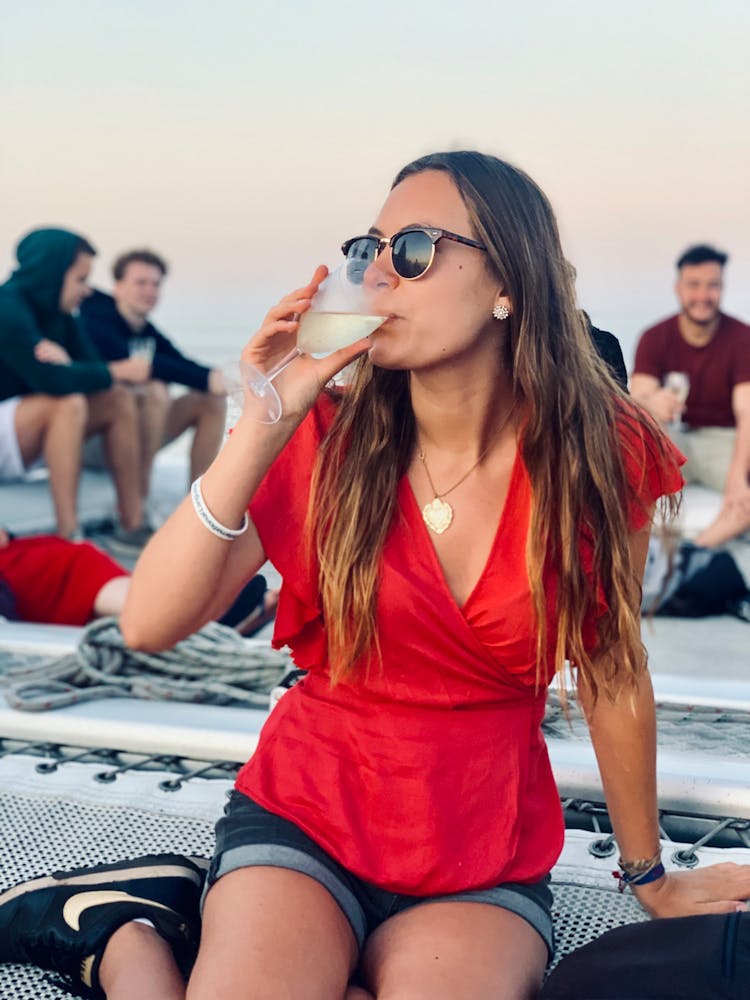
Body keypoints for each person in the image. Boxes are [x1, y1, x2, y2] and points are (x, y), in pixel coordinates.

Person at [2, 151, 750, 999]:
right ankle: (125, 939)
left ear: (508, 280)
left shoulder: (598, 452)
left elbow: (613, 668)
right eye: (371, 248)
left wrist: (648, 873)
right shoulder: (326, 434)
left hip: (481, 844)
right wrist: (262, 422)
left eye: (416, 251)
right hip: (308, 808)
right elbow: (148, 625)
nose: (378, 274)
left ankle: (136, 939)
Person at [0, 228, 154, 550]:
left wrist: (68, 363)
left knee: (118, 398)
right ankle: (69, 535)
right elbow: (53, 382)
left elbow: (95, 370)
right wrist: (96, 371)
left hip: (23, 426)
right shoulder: (8, 307)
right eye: (80, 279)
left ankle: (132, 524)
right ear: (53, 274)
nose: (87, 290)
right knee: (67, 403)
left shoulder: (61, 317)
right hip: (11, 424)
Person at [80, 249, 227, 499]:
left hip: (138, 438)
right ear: (118, 286)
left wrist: (227, 378)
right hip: (92, 441)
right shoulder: (93, 319)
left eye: (156, 284)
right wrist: (208, 378)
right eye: (140, 282)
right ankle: (138, 506)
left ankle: (200, 505)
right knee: (156, 390)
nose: (149, 290)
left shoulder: (147, 331)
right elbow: (143, 364)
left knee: (211, 401)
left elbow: (180, 363)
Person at [631, 244, 750, 547]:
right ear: (679, 288)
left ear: (722, 288)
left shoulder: (741, 337)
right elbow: (637, 399)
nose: (703, 295)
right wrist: (653, 401)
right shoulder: (655, 337)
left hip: (722, 441)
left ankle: (696, 551)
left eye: (713, 285)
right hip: (673, 439)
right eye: (694, 285)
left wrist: (738, 480)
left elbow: (746, 411)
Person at [0, 527, 278, 634]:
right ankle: (199, 611)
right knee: (73, 567)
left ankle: (201, 612)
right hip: (13, 573)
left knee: (77, 562)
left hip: (17, 554)